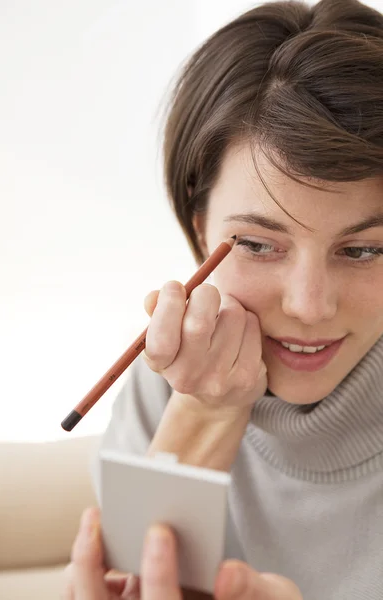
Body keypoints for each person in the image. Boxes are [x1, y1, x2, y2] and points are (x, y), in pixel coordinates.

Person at [63, 0, 383, 598]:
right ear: (199, 224)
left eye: (363, 251)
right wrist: (205, 413)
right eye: (259, 245)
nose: (310, 307)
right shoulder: (158, 385)